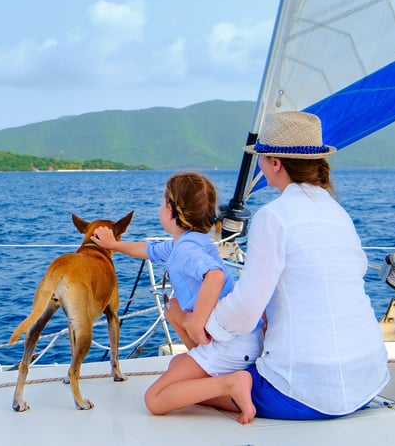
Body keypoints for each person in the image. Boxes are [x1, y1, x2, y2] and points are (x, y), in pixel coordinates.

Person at [167, 111, 389, 422]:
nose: (259, 165)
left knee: (180, 382)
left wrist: (203, 325)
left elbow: (245, 311)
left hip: (304, 391)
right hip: (366, 381)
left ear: (276, 163)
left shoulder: (274, 216)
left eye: (262, 157)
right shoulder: (338, 214)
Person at [90, 171, 264, 422]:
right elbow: (148, 250)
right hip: (242, 338)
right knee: (174, 331)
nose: (160, 207)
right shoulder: (189, 243)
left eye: (162, 202)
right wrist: (114, 245)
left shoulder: (186, 250)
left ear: (171, 209)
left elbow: (214, 275)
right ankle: (220, 377)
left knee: (155, 399)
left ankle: (231, 384)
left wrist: (196, 323)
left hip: (230, 345)